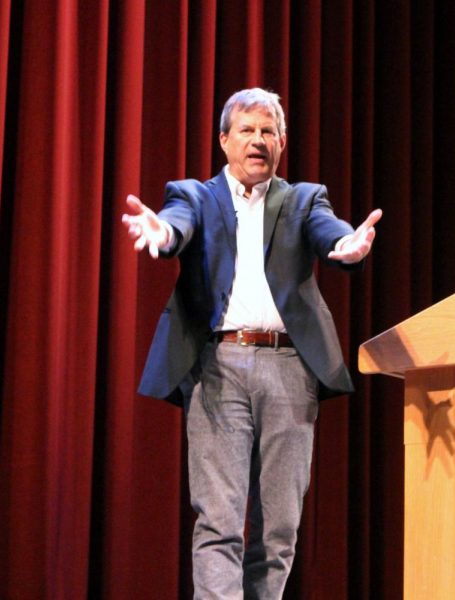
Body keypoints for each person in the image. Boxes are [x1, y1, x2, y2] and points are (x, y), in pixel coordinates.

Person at [121, 88, 381, 599]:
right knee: (218, 524)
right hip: (218, 366)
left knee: (278, 532)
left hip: (289, 370)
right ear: (224, 141)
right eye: (246, 130)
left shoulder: (304, 199)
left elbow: (330, 232)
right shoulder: (194, 194)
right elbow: (178, 224)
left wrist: (346, 245)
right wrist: (164, 235)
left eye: (268, 132)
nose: (257, 141)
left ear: (281, 143)